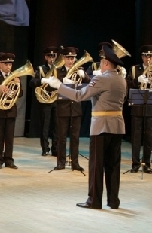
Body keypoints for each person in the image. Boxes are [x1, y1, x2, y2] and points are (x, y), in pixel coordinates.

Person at [43, 45, 126, 209]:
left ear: (106, 63)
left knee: (96, 166)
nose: (100, 65)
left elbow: (79, 96)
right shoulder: (121, 79)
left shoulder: (101, 79)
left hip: (101, 126)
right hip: (117, 126)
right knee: (113, 165)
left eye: (102, 62)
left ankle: (94, 200)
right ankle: (113, 200)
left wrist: (59, 86)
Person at [126, 45, 152, 173]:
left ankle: (147, 164)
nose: (148, 59)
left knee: (149, 136)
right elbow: (127, 84)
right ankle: (135, 163)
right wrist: (137, 80)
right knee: (136, 137)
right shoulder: (134, 69)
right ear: (142, 57)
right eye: (146, 56)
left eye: (151, 56)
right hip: (137, 106)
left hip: (151, 107)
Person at [54, 46, 90, 171]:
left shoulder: (79, 70)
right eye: (68, 58)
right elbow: (51, 87)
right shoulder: (58, 71)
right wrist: (62, 82)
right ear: (64, 58)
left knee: (75, 137)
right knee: (62, 136)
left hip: (75, 107)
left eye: (73, 58)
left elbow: (89, 83)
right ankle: (61, 162)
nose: (71, 60)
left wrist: (84, 76)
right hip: (63, 107)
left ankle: (75, 162)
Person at [29, 46, 59, 156]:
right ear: (46, 57)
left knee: (57, 126)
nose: (52, 58)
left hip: (57, 99)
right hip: (45, 101)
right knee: (45, 126)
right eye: (49, 56)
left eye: (53, 56)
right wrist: (42, 80)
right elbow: (32, 82)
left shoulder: (59, 69)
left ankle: (55, 149)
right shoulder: (41, 69)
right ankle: (45, 148)